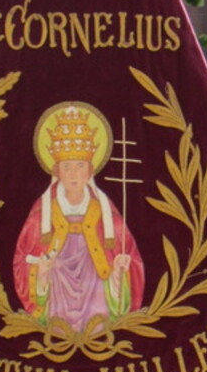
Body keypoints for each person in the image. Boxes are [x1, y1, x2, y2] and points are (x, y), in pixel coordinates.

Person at [13, 104, 143, 333]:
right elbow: (22, 262)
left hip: (98, 307)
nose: (73, 174)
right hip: (56, 305)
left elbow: (131, 264)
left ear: (90, 171)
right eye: (67, 166)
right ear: (57, 171)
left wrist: (118, 273)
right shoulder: (40, 218)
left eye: (80, 166)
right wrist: (41, 273)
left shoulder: (108, 219)